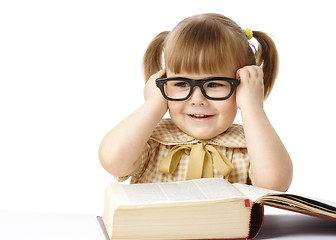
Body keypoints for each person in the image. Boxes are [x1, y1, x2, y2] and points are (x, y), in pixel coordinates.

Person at [99, 13, 293, 192]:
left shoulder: (251, 144)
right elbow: (113, 160)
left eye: (215, 84)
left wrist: (253, 107)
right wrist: (153, 104)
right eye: (182, 83)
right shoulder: (151, 139)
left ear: (242, 86)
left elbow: (274, 186)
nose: (197, 99)